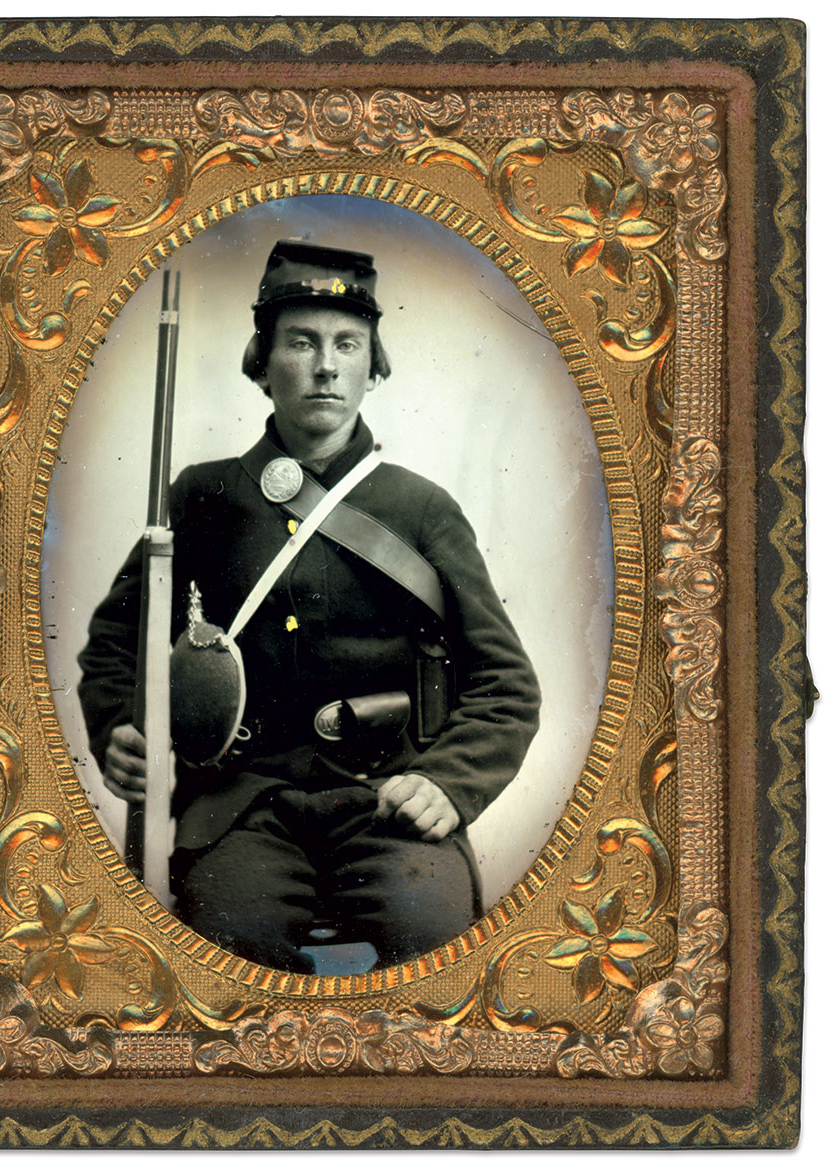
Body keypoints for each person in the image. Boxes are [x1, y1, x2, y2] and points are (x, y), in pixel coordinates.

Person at [77, 240, 540, 973]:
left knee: (436, 949)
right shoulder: (202, 498)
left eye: (347, 344)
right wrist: (117, 726)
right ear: (263, 363)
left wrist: (448, 783)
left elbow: (506, 686)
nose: (326, 365)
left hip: (390, 803)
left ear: (372, 366)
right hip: (241, 807)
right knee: (229, 953)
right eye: (302, 341)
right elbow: (114, 647)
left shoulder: (420, 509)